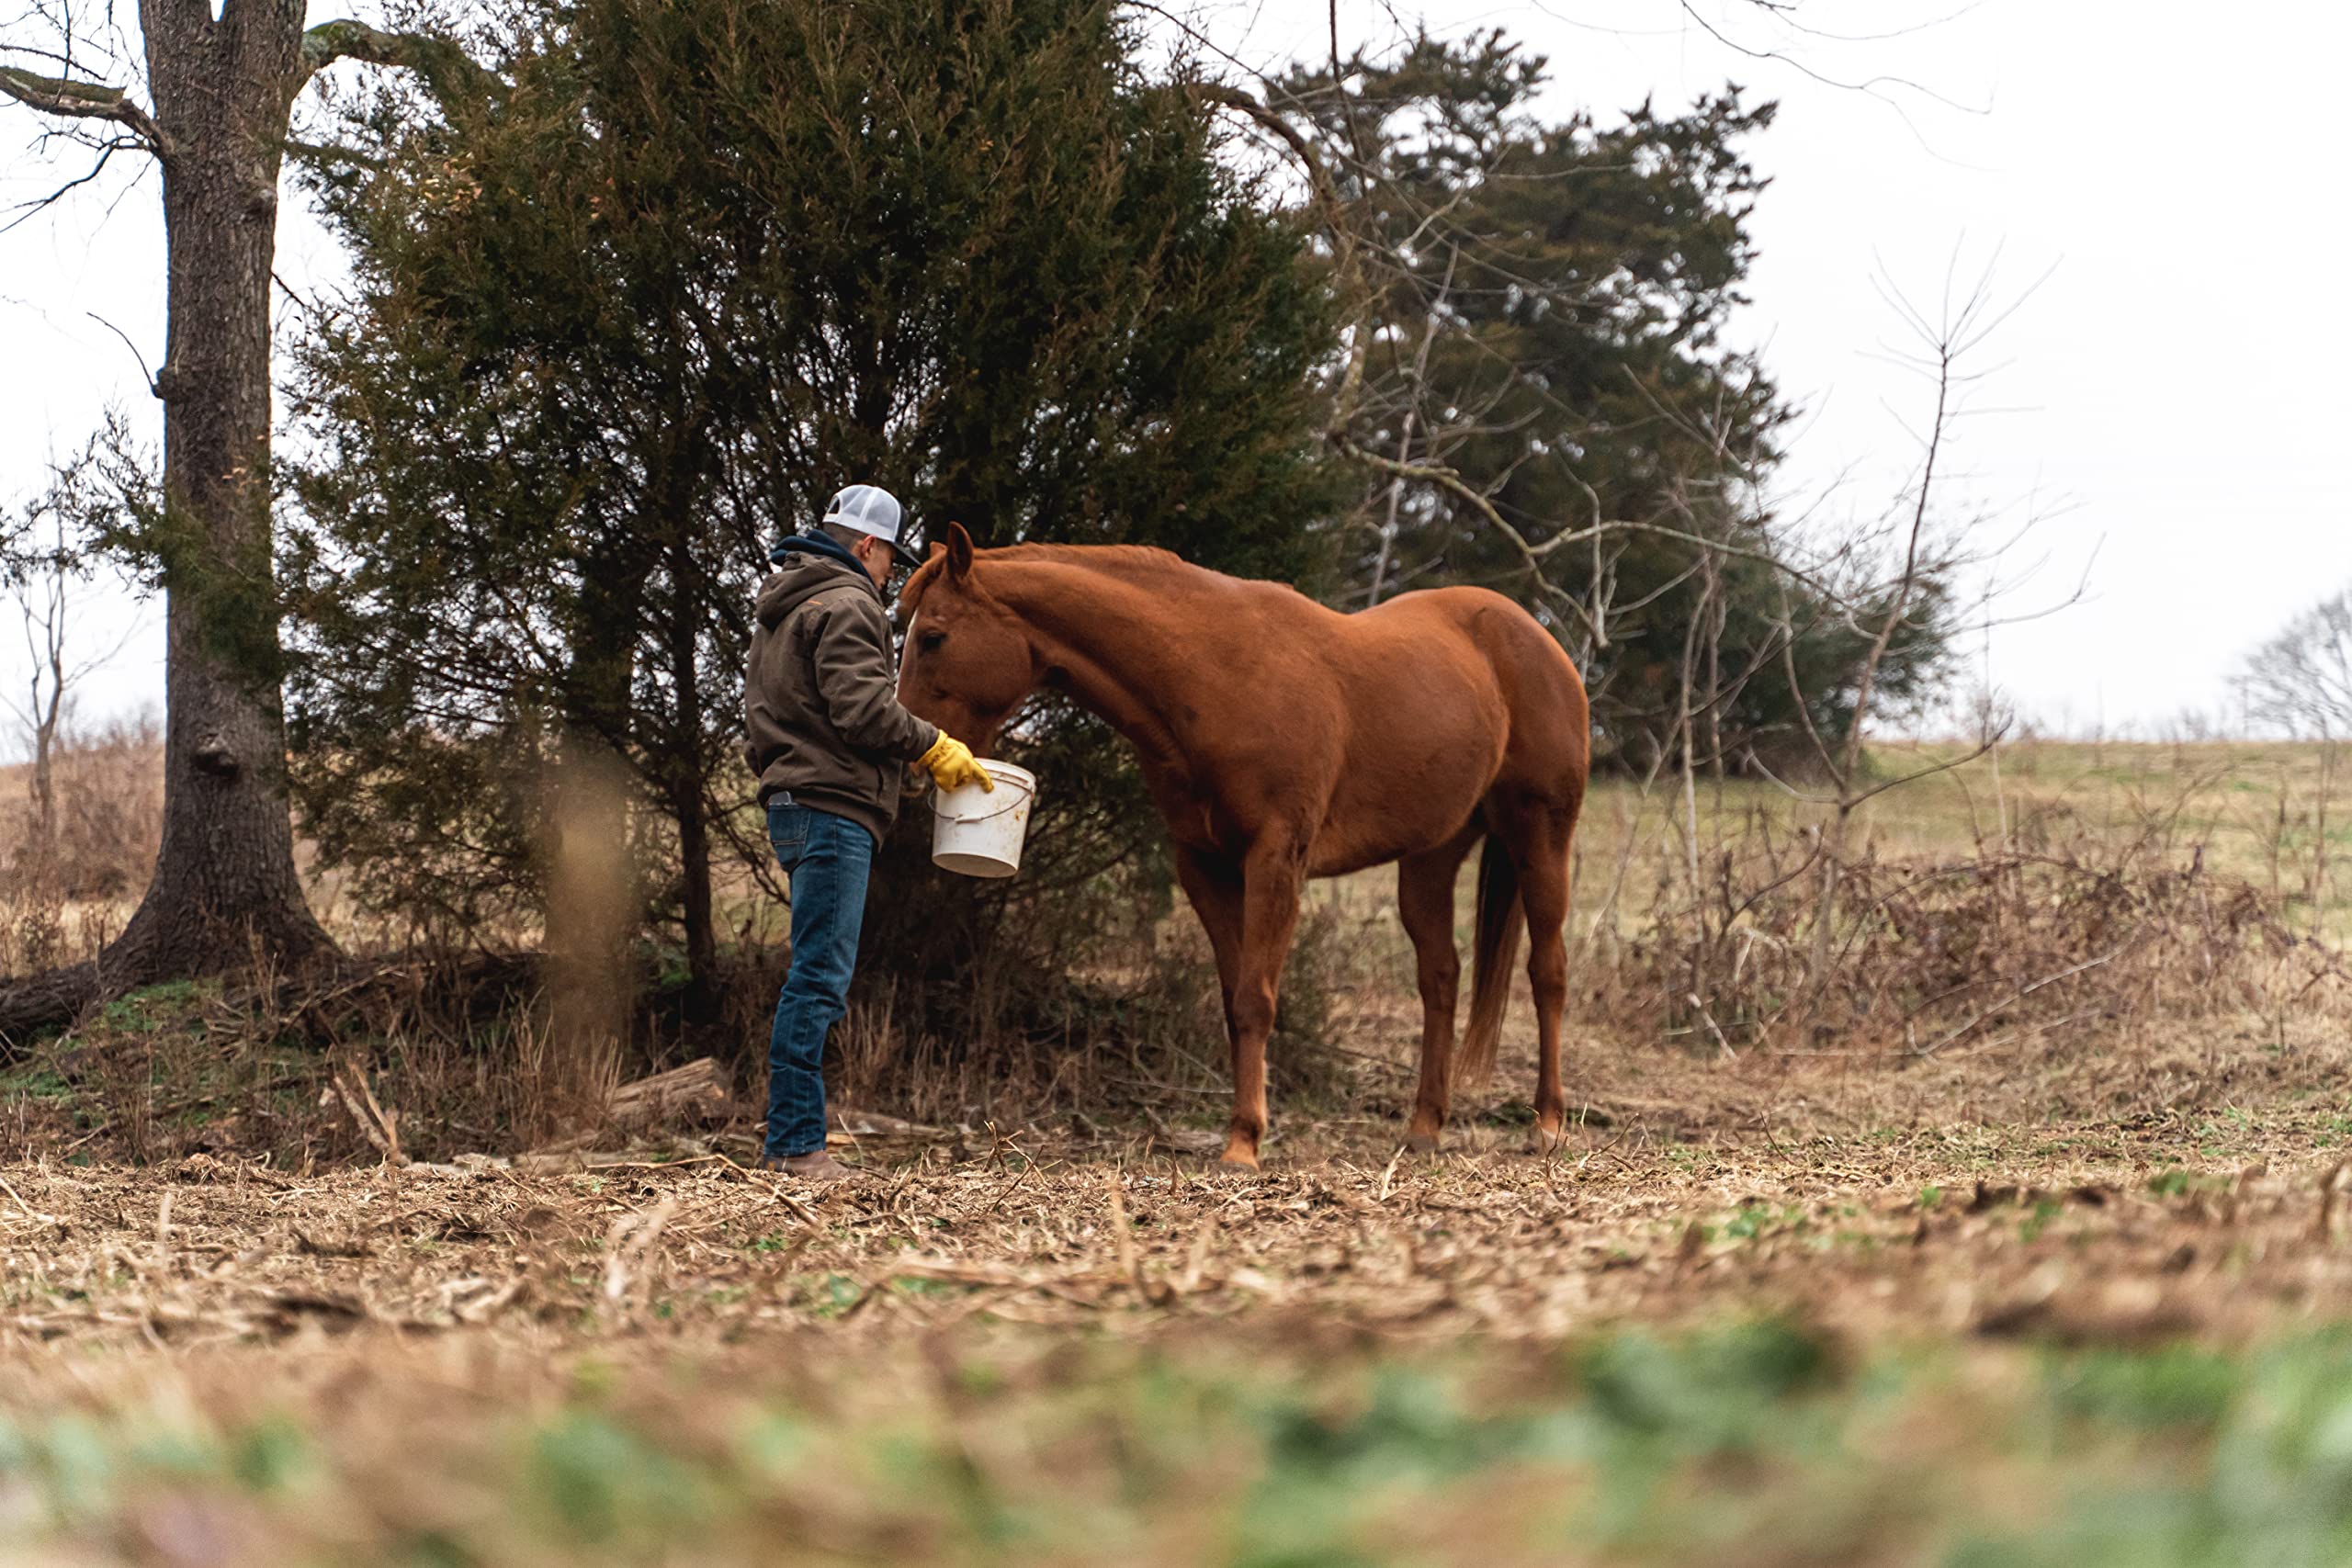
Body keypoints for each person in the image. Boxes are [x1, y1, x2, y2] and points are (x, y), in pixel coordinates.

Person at [742, 483, 993, 1181]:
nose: (889, 575)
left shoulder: (784, 607)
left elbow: (776, 718)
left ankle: (791, 1137)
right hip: (832, 812)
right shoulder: (849, 602)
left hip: (794, 805)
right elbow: (862, 710)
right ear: (867, 546)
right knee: (818, 978)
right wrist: (934, 746)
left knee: (812, 972)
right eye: (889, 558)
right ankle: (795, 1146)